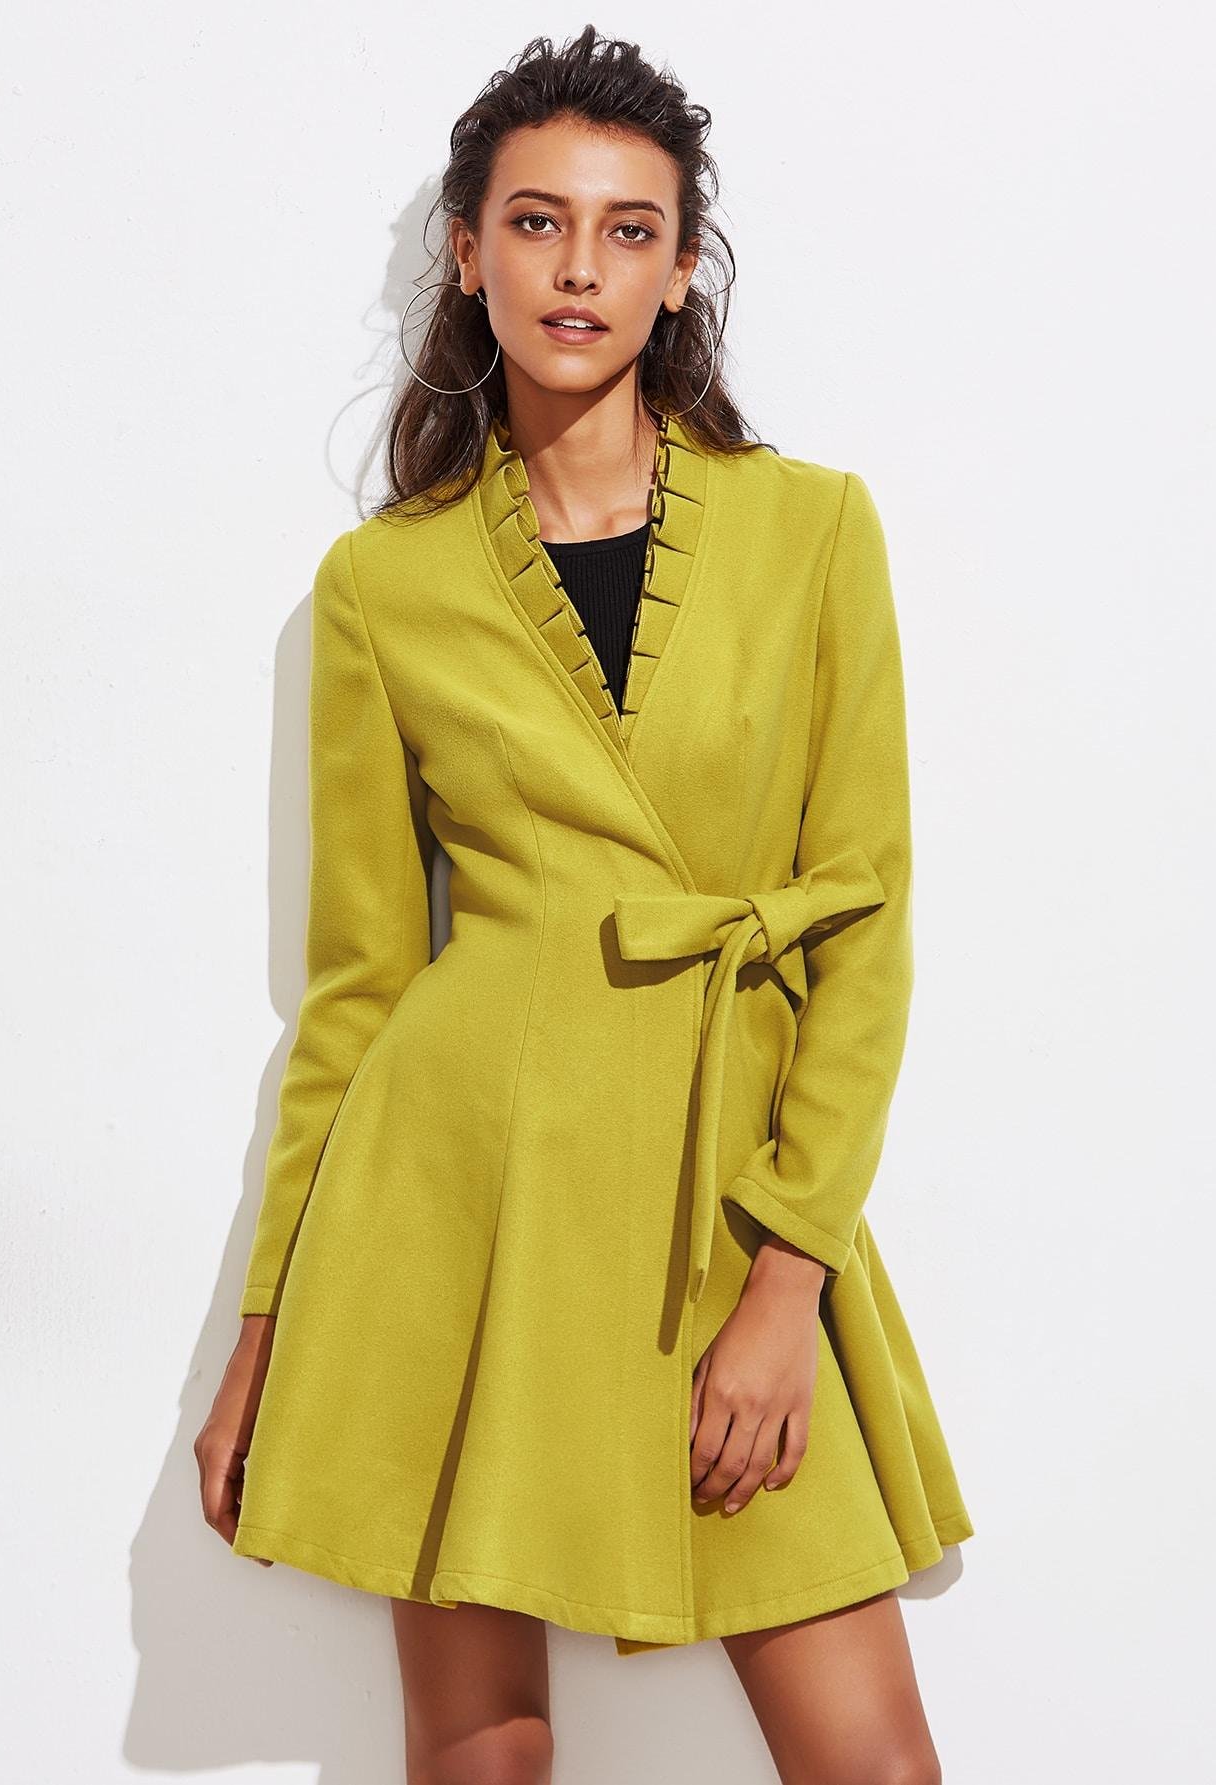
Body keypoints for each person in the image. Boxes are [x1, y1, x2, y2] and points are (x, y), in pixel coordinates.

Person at [195, 26, 974, 1782]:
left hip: (724, 1199)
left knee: (873, 1761)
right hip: (460, 1211)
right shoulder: (382, 584)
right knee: (485, 1758)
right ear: (467, 251)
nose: (579, 269)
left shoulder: (814, 531)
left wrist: (789, 1278)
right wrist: (264, 1331)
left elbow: (866, 926)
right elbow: (357, 986)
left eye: (631, 231)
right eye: (536, 222)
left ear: (683, 266)